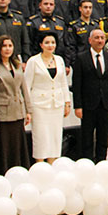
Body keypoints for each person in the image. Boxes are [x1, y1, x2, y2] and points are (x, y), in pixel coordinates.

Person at [0, 35, 32, 175]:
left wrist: (28, 110)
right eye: (4, 46)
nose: (7, 49)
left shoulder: (17, 65)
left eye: (10, 46)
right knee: (2, 147)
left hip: (18, 111)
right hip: (2, 112)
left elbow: (24, 89)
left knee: (17, 146)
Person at [72, 28, 108, 163]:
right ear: (90, 40)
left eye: (102, 38)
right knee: (87, 136)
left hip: (105, 104)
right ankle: (87, 163)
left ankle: (101, 162)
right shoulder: (81, 58)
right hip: (87, 104)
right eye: (97, 38)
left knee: (103, 136)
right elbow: (77, 84)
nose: (100, 40)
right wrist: (78, 106)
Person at [24, 32, 70, 162]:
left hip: (57, 104)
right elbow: (27, 86)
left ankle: (53, 163)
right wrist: (27, 108)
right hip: (39, 105)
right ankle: (40, 164)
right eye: (47, 43)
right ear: (41, 45)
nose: (50, 45)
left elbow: (63, 83)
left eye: (53, 42)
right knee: (41, 137)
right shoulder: (33, 61)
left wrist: (67, 102)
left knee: (55, 136)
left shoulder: (59, 60)